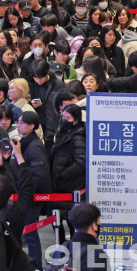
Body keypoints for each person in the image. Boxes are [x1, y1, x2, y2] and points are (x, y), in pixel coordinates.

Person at [15, 111, 51, 271]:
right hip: (27, 195)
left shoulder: (34, 146)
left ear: (31, 126)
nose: (18, 125)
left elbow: (40, 175)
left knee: (31, 232)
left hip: (32, 197)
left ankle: (36, 268)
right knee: (28, 232)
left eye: (22, 123)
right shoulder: (25, 142)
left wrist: (28, 193)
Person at [65, 203, 124, 271]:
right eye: (99, 221)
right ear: (94, 225)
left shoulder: (62, 250)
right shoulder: (98, 256)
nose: (100, 224)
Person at [50, 104, 86, 243]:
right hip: (58, 187)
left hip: (70, 188)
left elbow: (81, 162)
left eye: (67, 118)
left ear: (76, 120)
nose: (63, 120)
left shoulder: (78, 137)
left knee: (71, 222)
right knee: (56, 221)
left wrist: (63, 175)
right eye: (62, 117)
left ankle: (71, 250)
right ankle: (61, 249)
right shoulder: (62, 134)